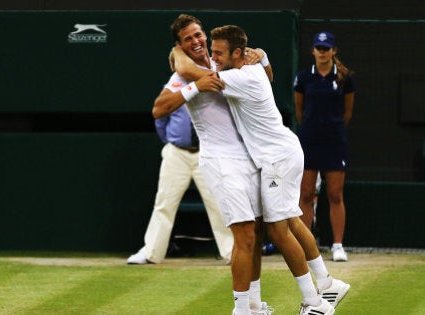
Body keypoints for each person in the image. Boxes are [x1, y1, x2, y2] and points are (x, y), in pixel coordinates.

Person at [173, 24, 350, 315]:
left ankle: (316, 303)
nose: (214, 57)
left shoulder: (241, 78)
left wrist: (178, 52)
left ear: (238, 53)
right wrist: (264, 56)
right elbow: (267, 71)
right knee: (291, 221)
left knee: (279, 231)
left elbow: (194, 74)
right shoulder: (252, 69)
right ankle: (327, 283)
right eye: (212, 52)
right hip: (282, 154)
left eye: (219, 53)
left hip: (277, 159)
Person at [151, 14, 273, 315]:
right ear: (180, 45)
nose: (196, 41)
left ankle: (255, 305)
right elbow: (158, 109)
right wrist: (195, 87)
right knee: (243, 235)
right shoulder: (184, 75)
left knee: (256, 234)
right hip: (220, 161)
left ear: (206, 35)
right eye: (187, 39)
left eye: (198, 35)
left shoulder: (223, 63)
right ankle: (241, 309)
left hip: (249, 158)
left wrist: (261, 56)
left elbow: (266, 79)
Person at [127, 105, 234, 265]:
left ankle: (233, 253)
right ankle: (152, 253)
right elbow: (161, 118)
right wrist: (174, 140)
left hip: (208, 153)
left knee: (218, 204)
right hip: (176, 153)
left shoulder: (214, 86)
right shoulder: (173, 87)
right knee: (164, 203)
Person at [294, 31, 356, 262]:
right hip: (309, 140)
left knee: (335, 193)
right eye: (318, 48)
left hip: (335, 141)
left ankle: (338, 245)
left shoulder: (345, 78)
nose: (322, 52)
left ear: (333, 50)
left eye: (326, 48)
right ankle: (305, 246)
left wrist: (332, 128)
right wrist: (312, 128)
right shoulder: (303, 78)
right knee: (307, 193)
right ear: (313, 51)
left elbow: (347, 113)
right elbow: (300, 111)